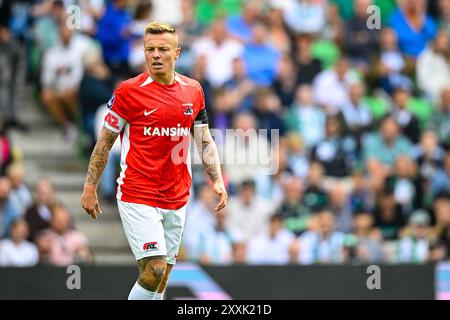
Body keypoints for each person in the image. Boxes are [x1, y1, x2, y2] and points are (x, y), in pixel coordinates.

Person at [81, 22, 228, 300]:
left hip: (177, 196)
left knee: (161, 280)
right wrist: (91, 186)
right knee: (156, 268)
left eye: (162, 49)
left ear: (177, 53)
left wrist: (216, 179)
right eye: (150, 49)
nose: (156, 55)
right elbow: (105, 142)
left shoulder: (193, 91)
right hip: (138, 194)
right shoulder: (128, 92)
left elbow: (204, 140)